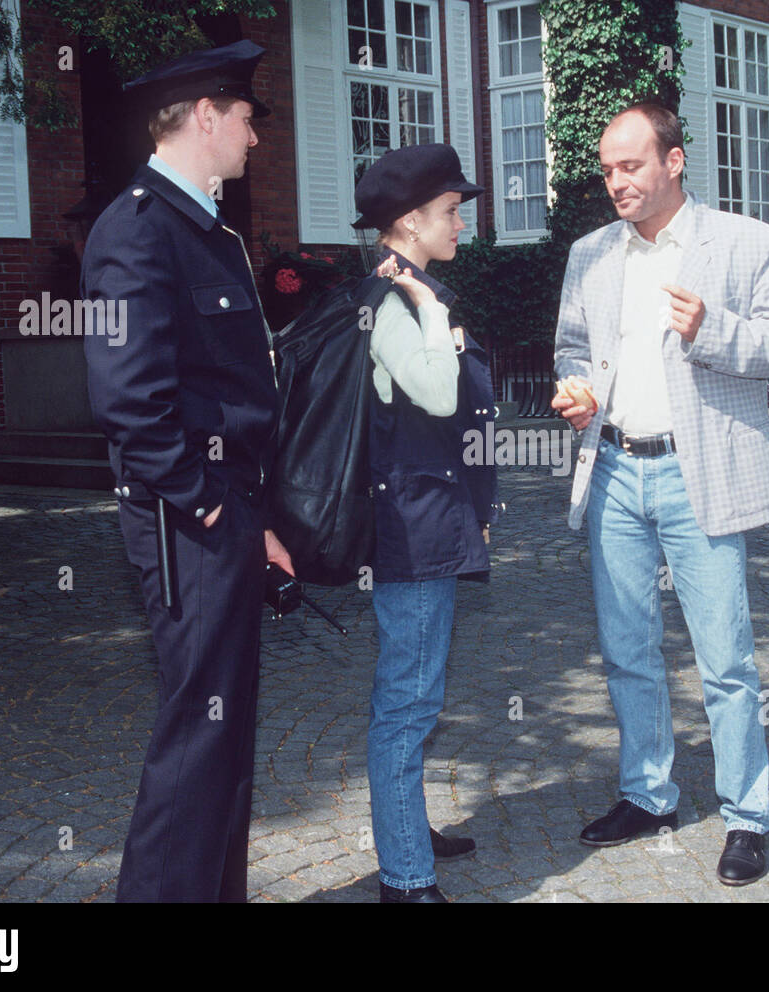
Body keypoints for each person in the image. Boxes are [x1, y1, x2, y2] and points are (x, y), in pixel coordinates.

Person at [552, 103, 769, 886]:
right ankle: (648, 794)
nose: (615, 181)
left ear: (675, 160)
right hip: (615, 475)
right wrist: (577, 393)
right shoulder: (590, 253)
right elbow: (572, 347)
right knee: (628, 648)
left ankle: (746, 817)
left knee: (724, 656)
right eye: (606, 168)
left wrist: (713, 328)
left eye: (630, 165)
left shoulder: (748, 242)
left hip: (702, 475)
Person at [81, 40, 293, 902]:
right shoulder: (136, 230)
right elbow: (131, 403)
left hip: (226, 508)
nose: (254, 139)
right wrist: (211, 510)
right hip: (186, 519)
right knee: (196, 736)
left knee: (225, 732)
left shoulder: (202, 227)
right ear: (206, 115)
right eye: (246, 119)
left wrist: (258, 517)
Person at [350, 144, 501, 904]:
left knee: (420, 694)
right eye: (450, 210)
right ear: (408, 221)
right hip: (407, 535)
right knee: (408, 703)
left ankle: (407, 827)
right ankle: (405, 877)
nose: (461, 222)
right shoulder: (393, 303)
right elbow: (438, 395)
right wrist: (433, 311)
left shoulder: (406, 294)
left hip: (431, 524)